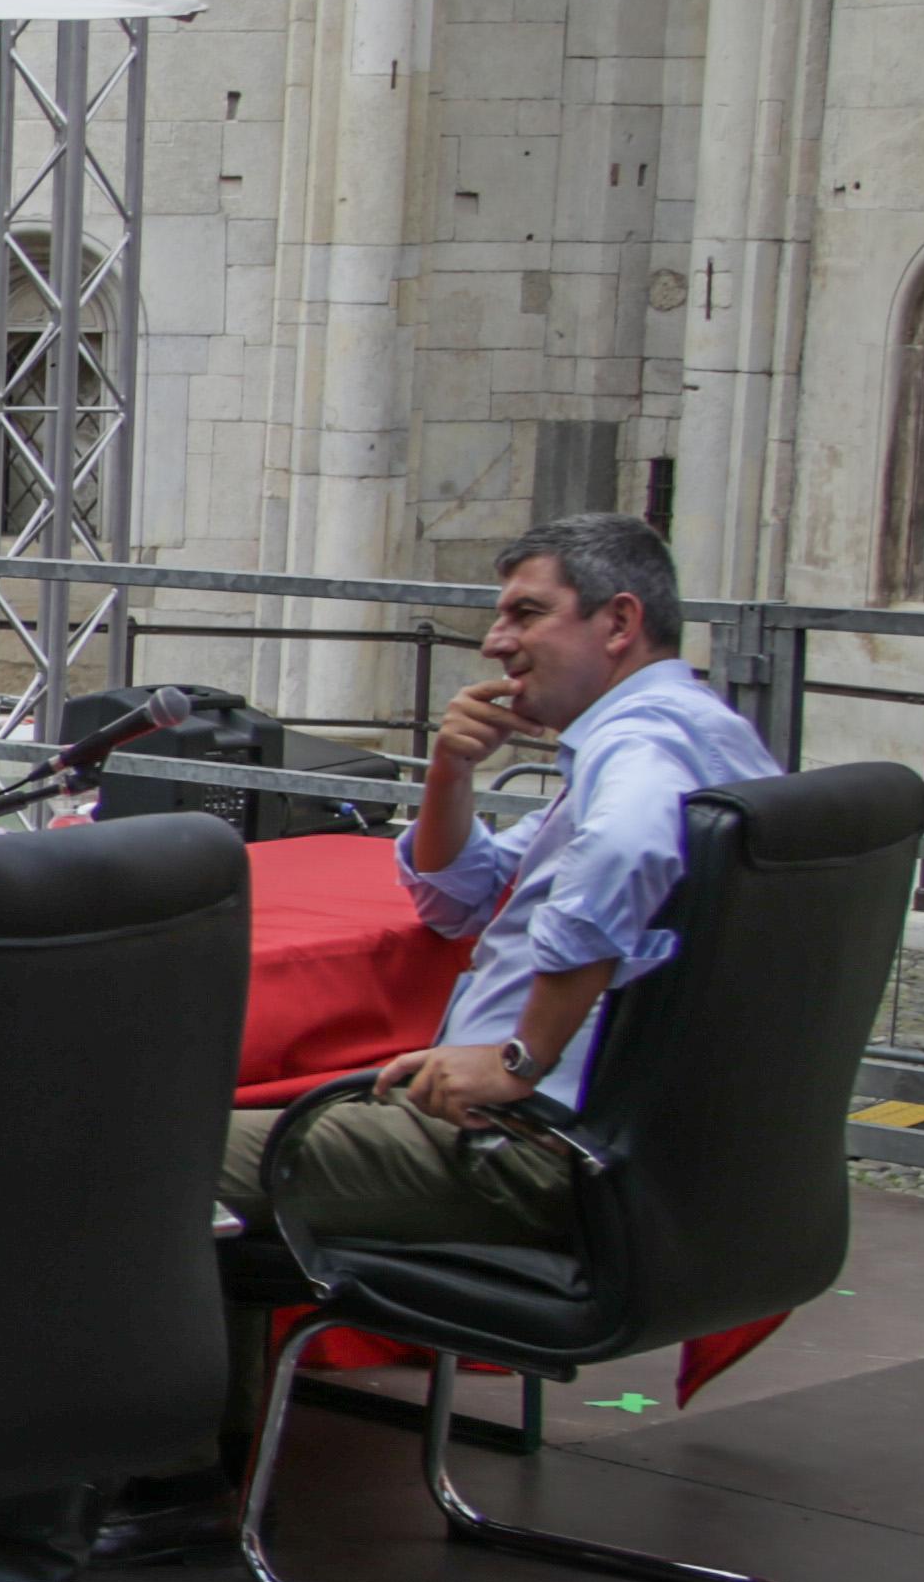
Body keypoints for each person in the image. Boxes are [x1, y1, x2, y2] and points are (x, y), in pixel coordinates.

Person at [198, 513, 785, 1470]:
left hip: (534, 1153)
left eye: (526, 613)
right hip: (653, 1165)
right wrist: (450, 770)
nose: (496, 641)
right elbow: (457, 898)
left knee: (153, 1147)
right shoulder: (697, 737)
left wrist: (520, 1058)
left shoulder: (639, 753)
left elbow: (627, 851)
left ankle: (171, 1475)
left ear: (619, 621)